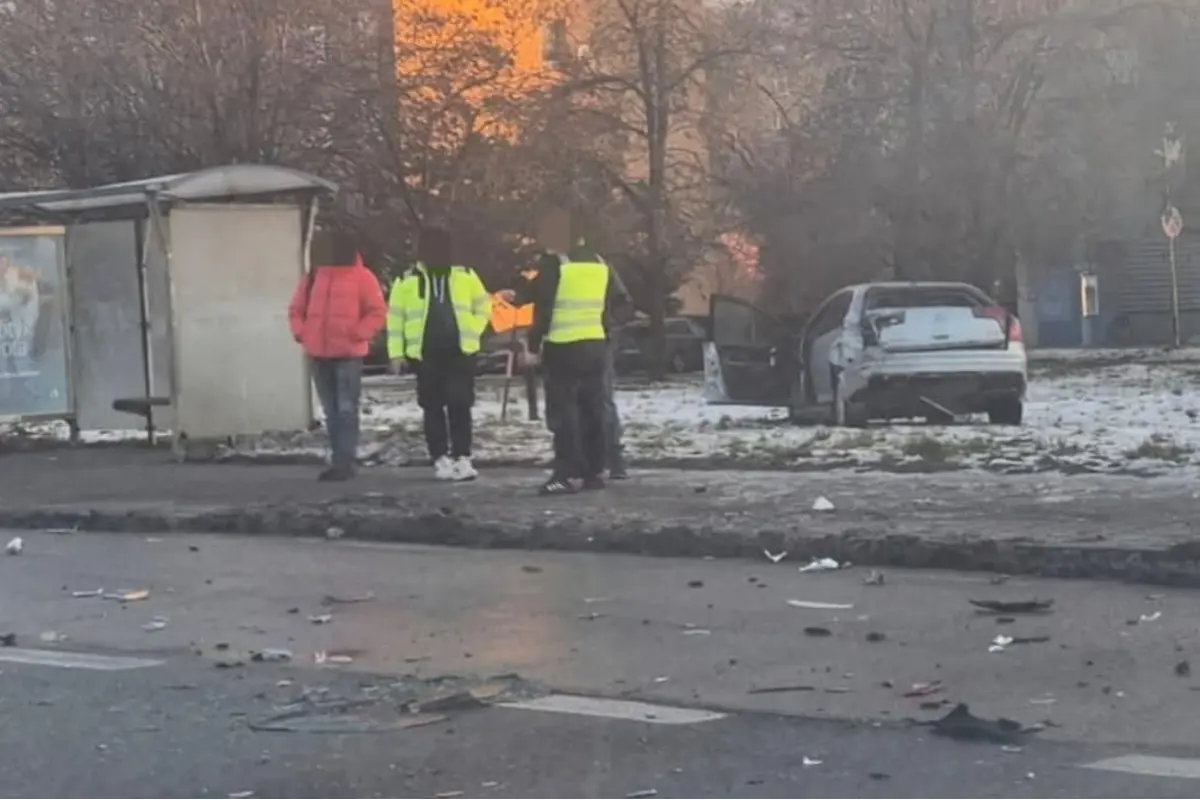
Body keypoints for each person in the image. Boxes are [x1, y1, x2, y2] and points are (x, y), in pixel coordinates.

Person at [521, 242, 628, 495]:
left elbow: (542, 306)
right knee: (593, 409)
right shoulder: (601, 263)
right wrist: (607, 328)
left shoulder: (557, 265)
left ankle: (567, 474)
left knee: (564, 411)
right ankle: (595, 471)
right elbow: (623, 302)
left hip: (563, 347)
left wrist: (533, 345)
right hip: (596, 345)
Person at [388, 227, 491, 481]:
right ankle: (440, 458)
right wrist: (396, 353)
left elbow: (483, 307)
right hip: (424, 354)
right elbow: (395, 318)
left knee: (460, 405)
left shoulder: (466, 276)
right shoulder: (407, 279)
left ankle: (462, 457)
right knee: (432, 407)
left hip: (461, 352)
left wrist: (473, 332)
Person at [288, 244, 387, 482]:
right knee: (332, 411)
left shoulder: (363, 278)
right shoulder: (314, 277)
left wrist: (358, 333)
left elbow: (377, 311)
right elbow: (296, 310)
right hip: (319, 353)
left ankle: (345, 461)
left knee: (345, 409)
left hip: (348, 354)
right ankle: (339, 460)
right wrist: (303, 333)